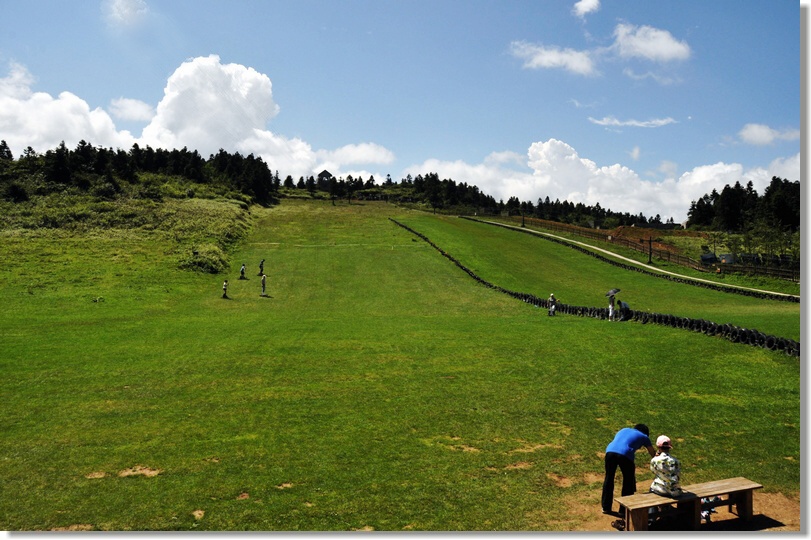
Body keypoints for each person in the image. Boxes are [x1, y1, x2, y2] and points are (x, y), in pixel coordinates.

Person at [602, 424, 656, 515]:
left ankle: (606, 507)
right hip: (625, 454)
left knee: (609, 478)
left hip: (610, 451)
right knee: (628, 481)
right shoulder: (644, 436)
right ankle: (624, 510)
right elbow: (652, 453)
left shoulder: (624, 429)